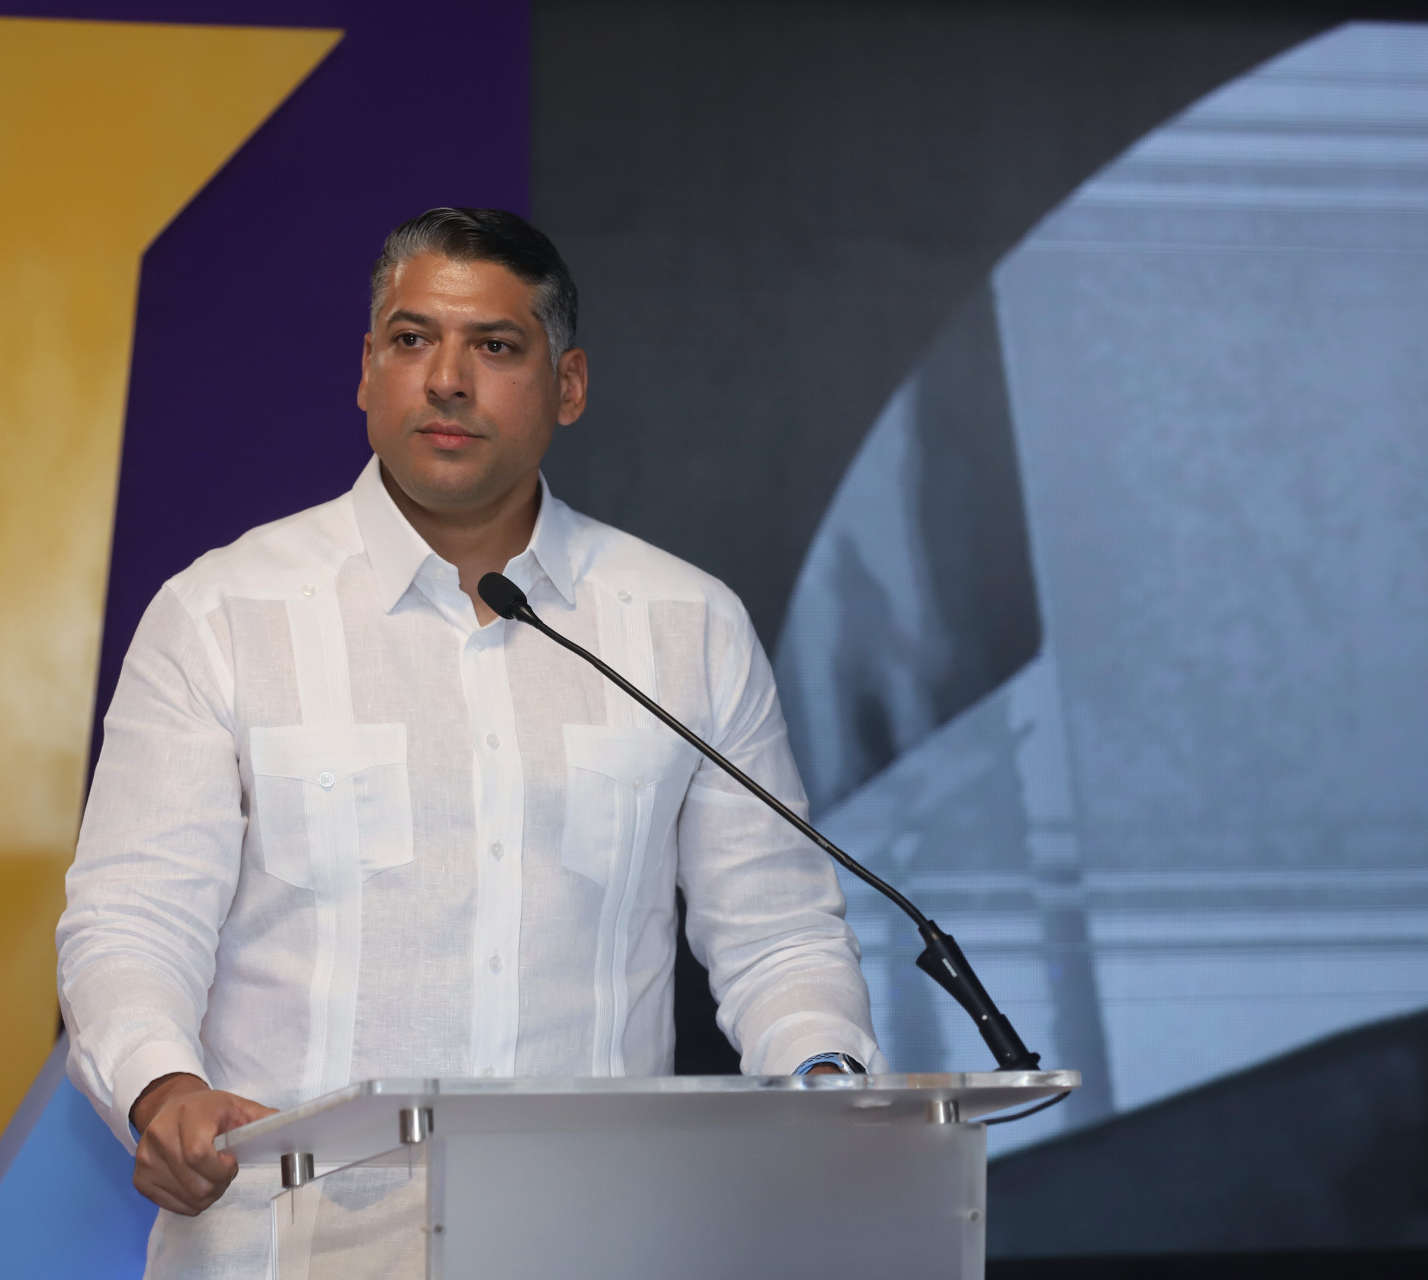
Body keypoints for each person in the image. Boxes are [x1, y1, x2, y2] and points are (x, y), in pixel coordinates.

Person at [56, 207, 882, 1276]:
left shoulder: (685, 625)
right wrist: (161, 1087)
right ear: (367, 370)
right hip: (288, 1249)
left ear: (568, 385)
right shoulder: (222, 614)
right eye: (412, 340)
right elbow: (131, 919)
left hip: (593, 1247)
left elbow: (778, 934)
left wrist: (826, 1082)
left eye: (494, 346)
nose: (446, 380)